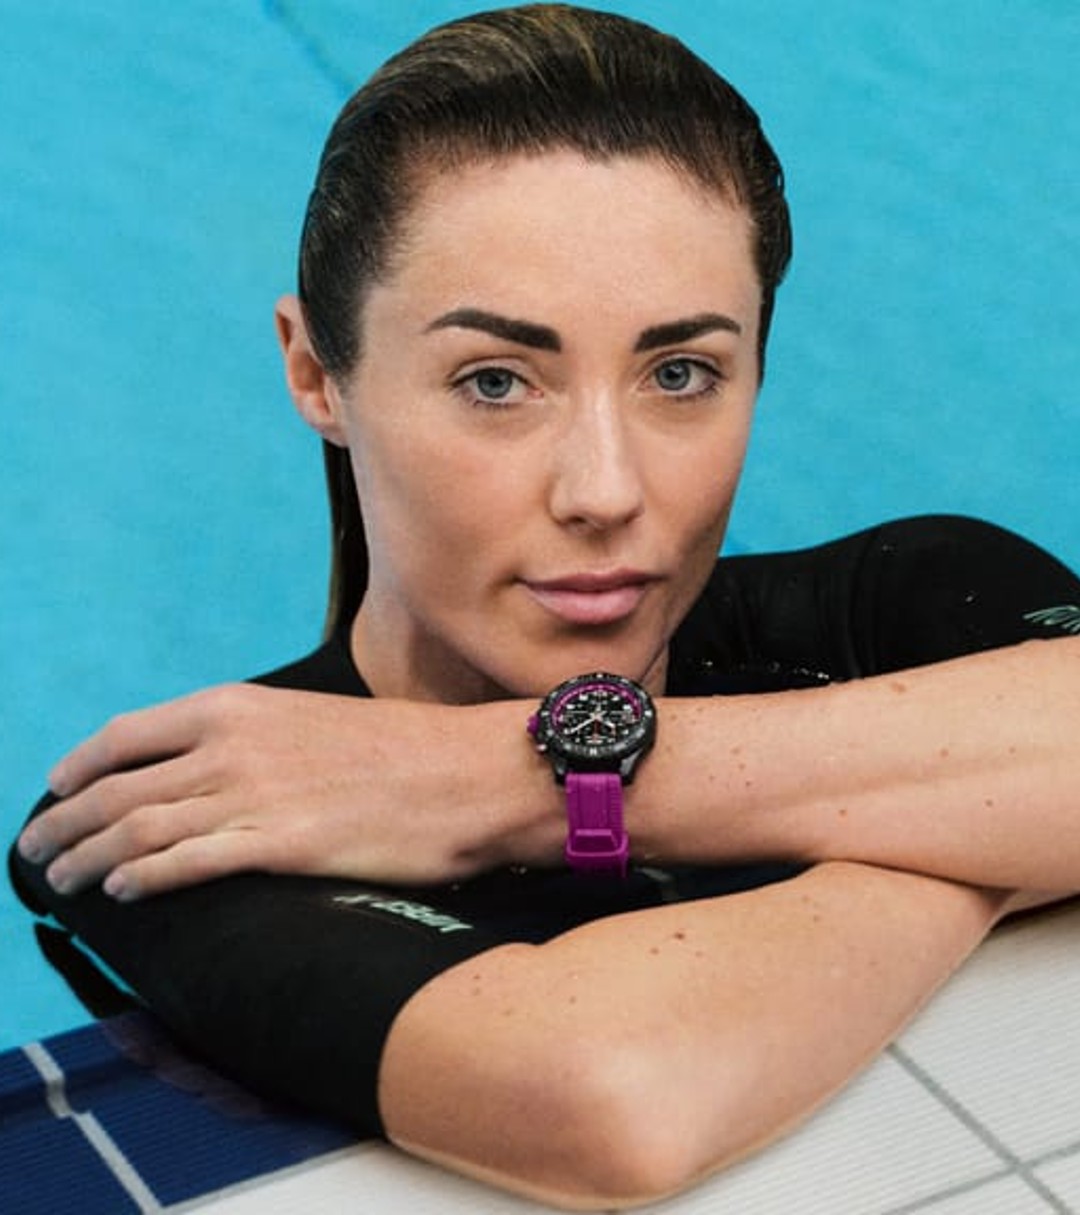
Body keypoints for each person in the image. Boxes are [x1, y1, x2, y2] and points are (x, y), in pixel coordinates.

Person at [10, 4, 1080, 1208]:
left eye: (682, 373)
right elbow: (616, 1098)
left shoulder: (901, 596)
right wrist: (989, 830)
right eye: (496, 381)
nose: (607, 492)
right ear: (317, 371)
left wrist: (502, 782)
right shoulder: (200, 797)